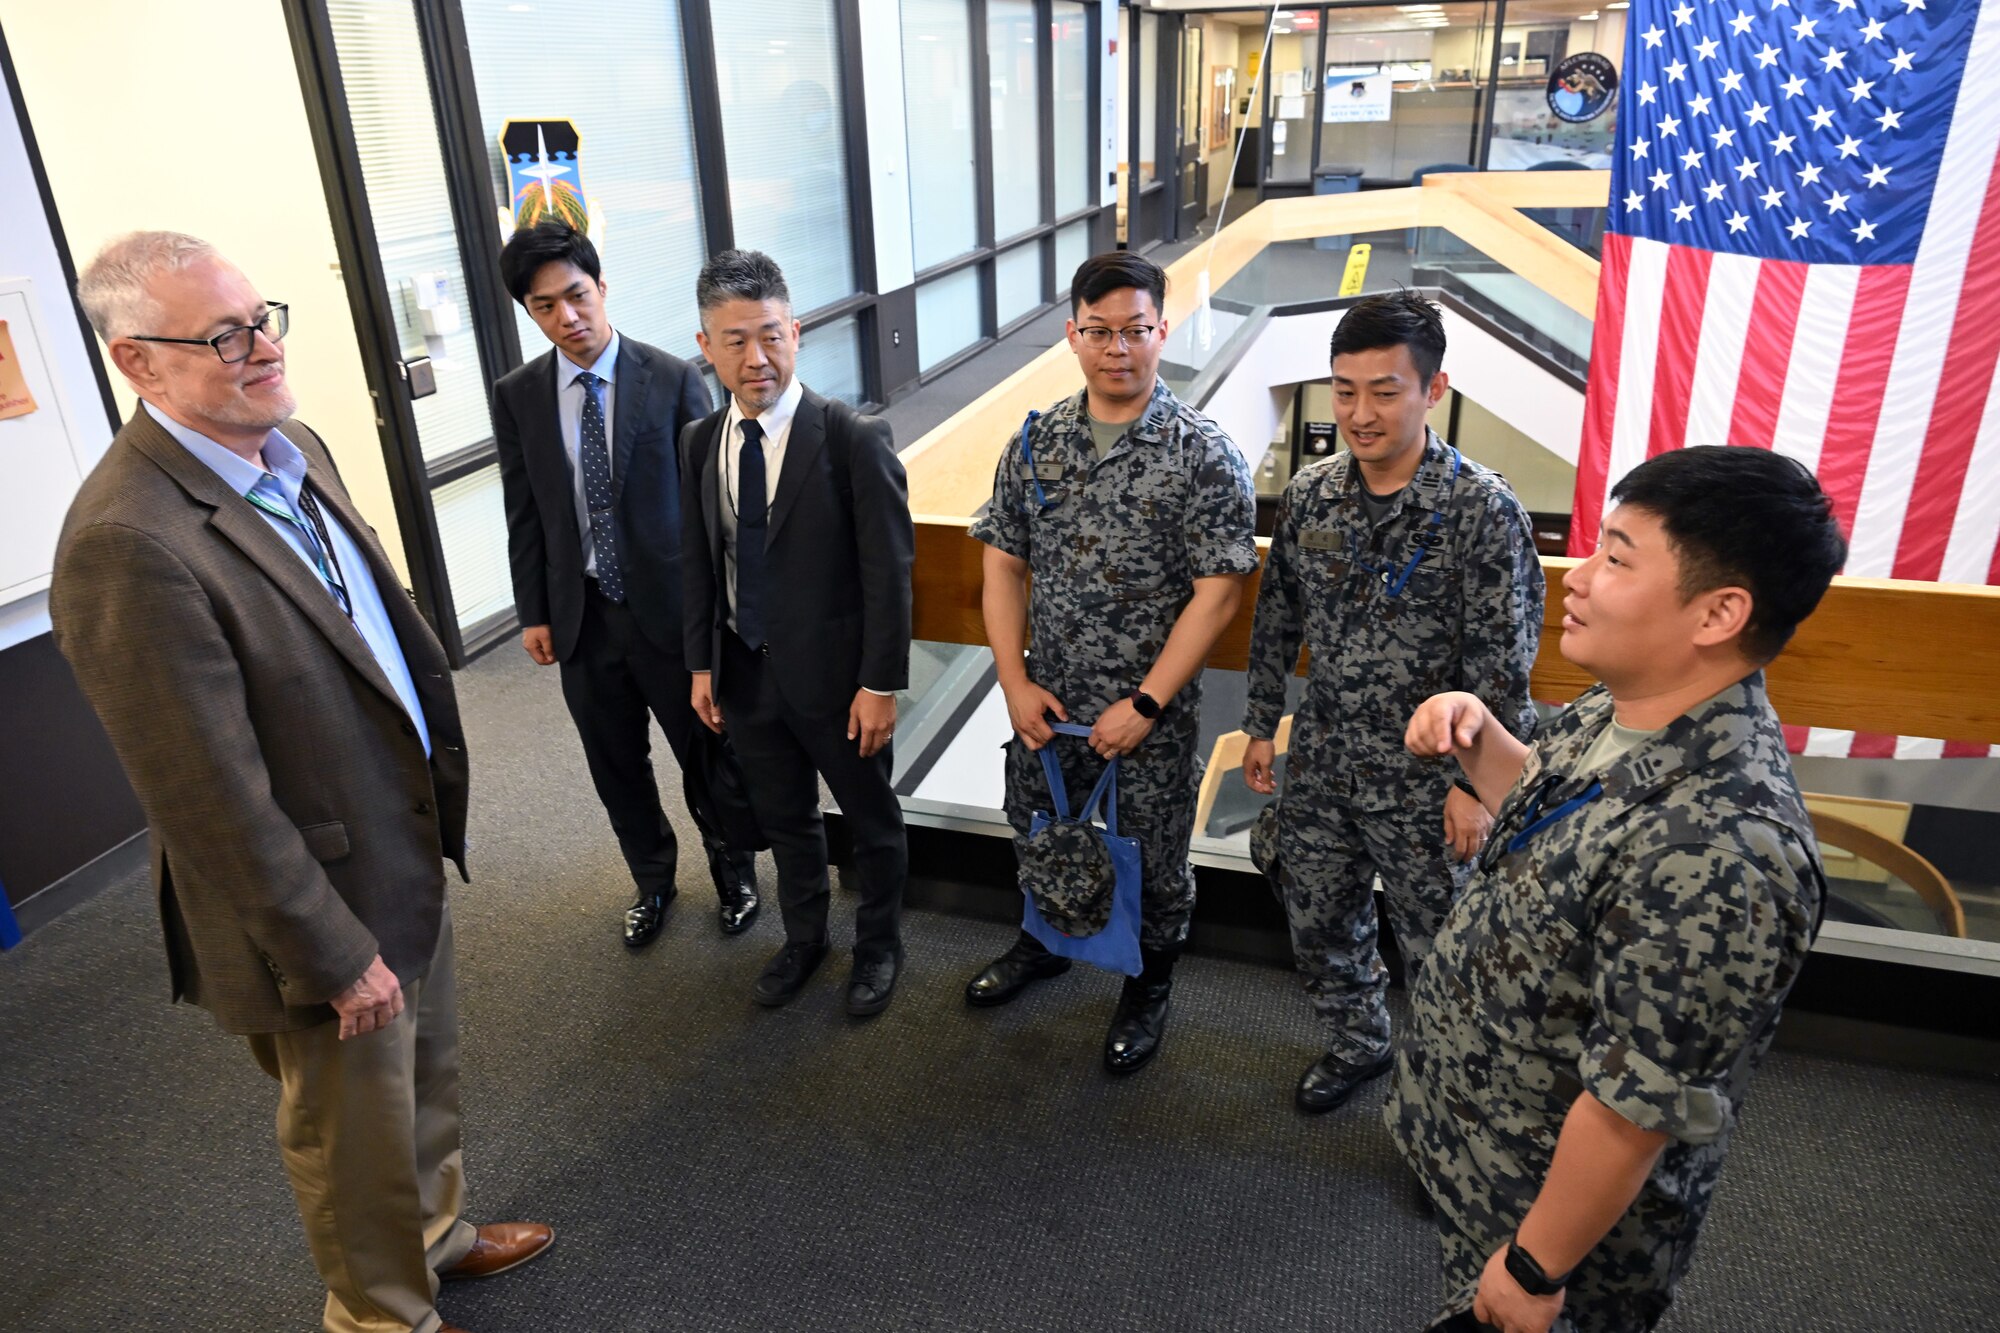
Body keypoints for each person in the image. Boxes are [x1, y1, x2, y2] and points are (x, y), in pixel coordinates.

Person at [50, 231, 549, 1333]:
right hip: (311, 900)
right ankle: (380, 1314)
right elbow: (205, 796)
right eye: (224, 337)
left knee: (423, 1081)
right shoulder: (127, 540)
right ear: (138, 362)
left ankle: (438, 1237)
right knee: (348, 1133)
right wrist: (327, 950)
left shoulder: (295, 447)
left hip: (393, 841)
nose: (264, 348)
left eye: (262, 319)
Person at [1390, 446, 1846, 1332]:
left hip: (1558, 1229)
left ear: (1719, 612)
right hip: (1490, 1147)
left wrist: (1534, 1267)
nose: (1579, 576)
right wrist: (1478, 737)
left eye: (1618, 557)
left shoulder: (1725, 849)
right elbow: (1559, 824)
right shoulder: (1625, 705)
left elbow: (1632, 1107)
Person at [1241, 291, 1544, 1112]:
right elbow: (1278, 615)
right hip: (1326, 761)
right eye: (1344, 391)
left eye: (1384, 391)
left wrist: (1477, 785)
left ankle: (1449, 1099)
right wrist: (1260, 722)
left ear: (1433, 389)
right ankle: (1359, 1042)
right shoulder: (1312, 494)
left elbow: (1505, 660)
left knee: (1444, 950)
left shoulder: (1481, 509)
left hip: (1431, 780)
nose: (1360, 413)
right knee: (1318, 917)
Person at [964, 251, 1259, 1073]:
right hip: (1048, 705)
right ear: (1072, 335)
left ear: (1163, 330)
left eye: (1135, 329)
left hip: (1146, 716)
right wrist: (1014, 683)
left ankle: (1149, 983)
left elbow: (1218, 595)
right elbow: (1002, 565)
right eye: (1099, 331)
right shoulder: (1035, 442)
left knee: (1154, 857)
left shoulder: (1202, 454)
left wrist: (1149, 702)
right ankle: (1042, 943)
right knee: (1035, 827)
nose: (1117, 348)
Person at [492, 222, 761, 949]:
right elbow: (524, 510)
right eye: (545, 306)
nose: (567, 317)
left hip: (670, 609)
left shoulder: (671, 377)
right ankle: (653, 880)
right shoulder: (518, 396)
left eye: (577, 295)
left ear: (602, 287)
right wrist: (534, 611)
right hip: (582, 613)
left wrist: (721, 612)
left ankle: (733, 869)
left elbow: (713, 501)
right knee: (614, 762)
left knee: (703, 750)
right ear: (529, 312)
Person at [681, 250, 914, 1015]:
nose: (757, 358)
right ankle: (805, 937)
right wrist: (702, 664)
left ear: (797, 333)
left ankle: (878, 945)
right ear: (706, 346)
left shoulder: (852, 437)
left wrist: (879, 683)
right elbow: (699, 561)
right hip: (746, 672)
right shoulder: (699, 441)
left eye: (771, 336)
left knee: (871, 821)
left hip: (840, 682)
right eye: (736, 340)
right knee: (785, 818)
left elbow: (889, 572)